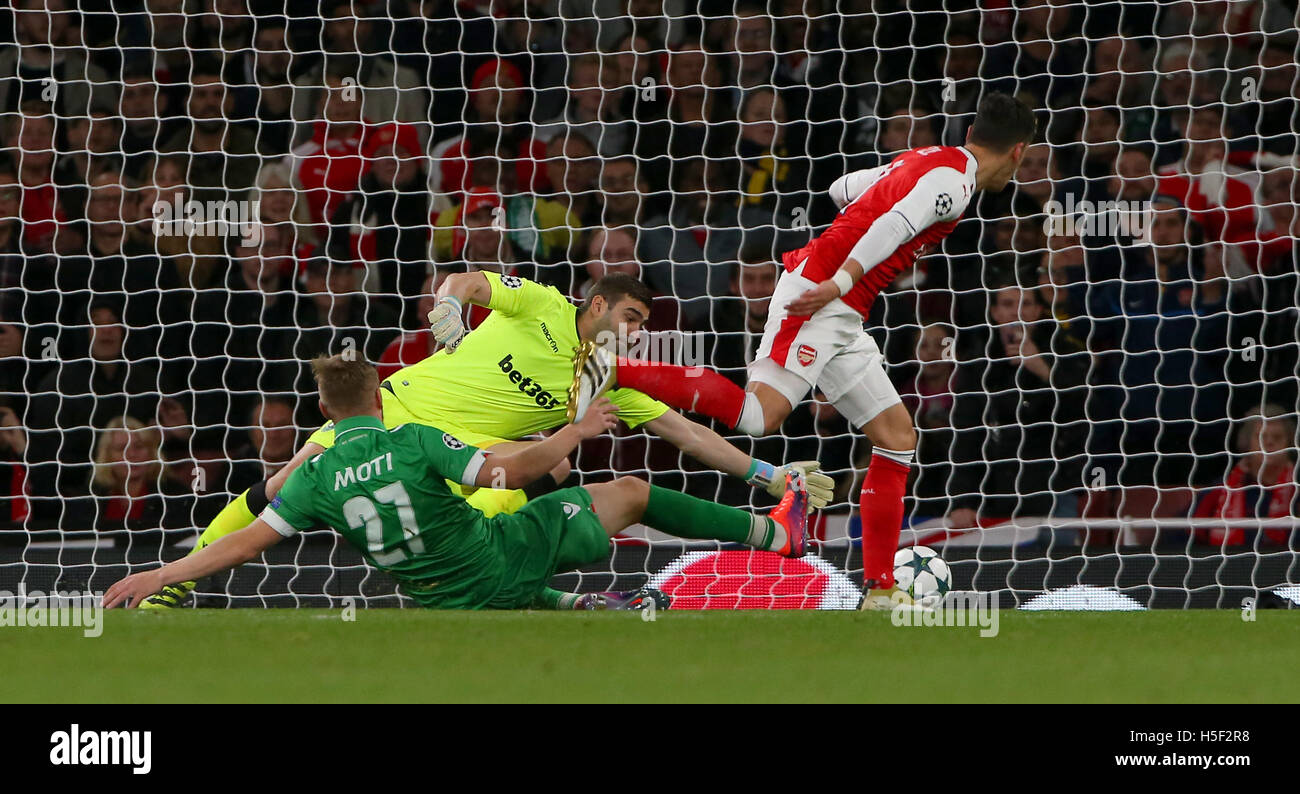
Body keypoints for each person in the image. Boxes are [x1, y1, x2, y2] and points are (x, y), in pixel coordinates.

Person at [568, 92, 1037, 608]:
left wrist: (848, 265)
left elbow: (843, 189)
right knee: (757, 417)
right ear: (1017, 152)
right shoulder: (956, 183)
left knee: (897, 436)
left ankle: (880, 590)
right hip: (822, 297)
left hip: (842, 314)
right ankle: (618, 368)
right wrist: (843, 278)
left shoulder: (922, 159)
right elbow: (893, 225)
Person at [142, 272, 832, 608]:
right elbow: (469, 279)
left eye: (641, 322)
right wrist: (448, 307)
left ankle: (565, 605)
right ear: (596, 305)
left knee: (492, 524)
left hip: (468, 463)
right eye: (627, 315)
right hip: (392, 418)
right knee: (277, 489)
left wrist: (768, 476)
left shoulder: (601, 379)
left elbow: (684, 432)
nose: (632, 329)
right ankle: (172, 588)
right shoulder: (538, 304)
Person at [104, 355, 809, 610]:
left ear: (323, 412)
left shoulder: (313, 475)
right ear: (378, 399)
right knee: (628, 492)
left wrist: (160, 574)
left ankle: (574, 606)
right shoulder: (411, 440)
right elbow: (510, 470)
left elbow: (243, 545)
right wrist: (572, 434)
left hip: (435, 597)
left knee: (483, 547)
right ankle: (775, 531)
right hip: (495, 564)